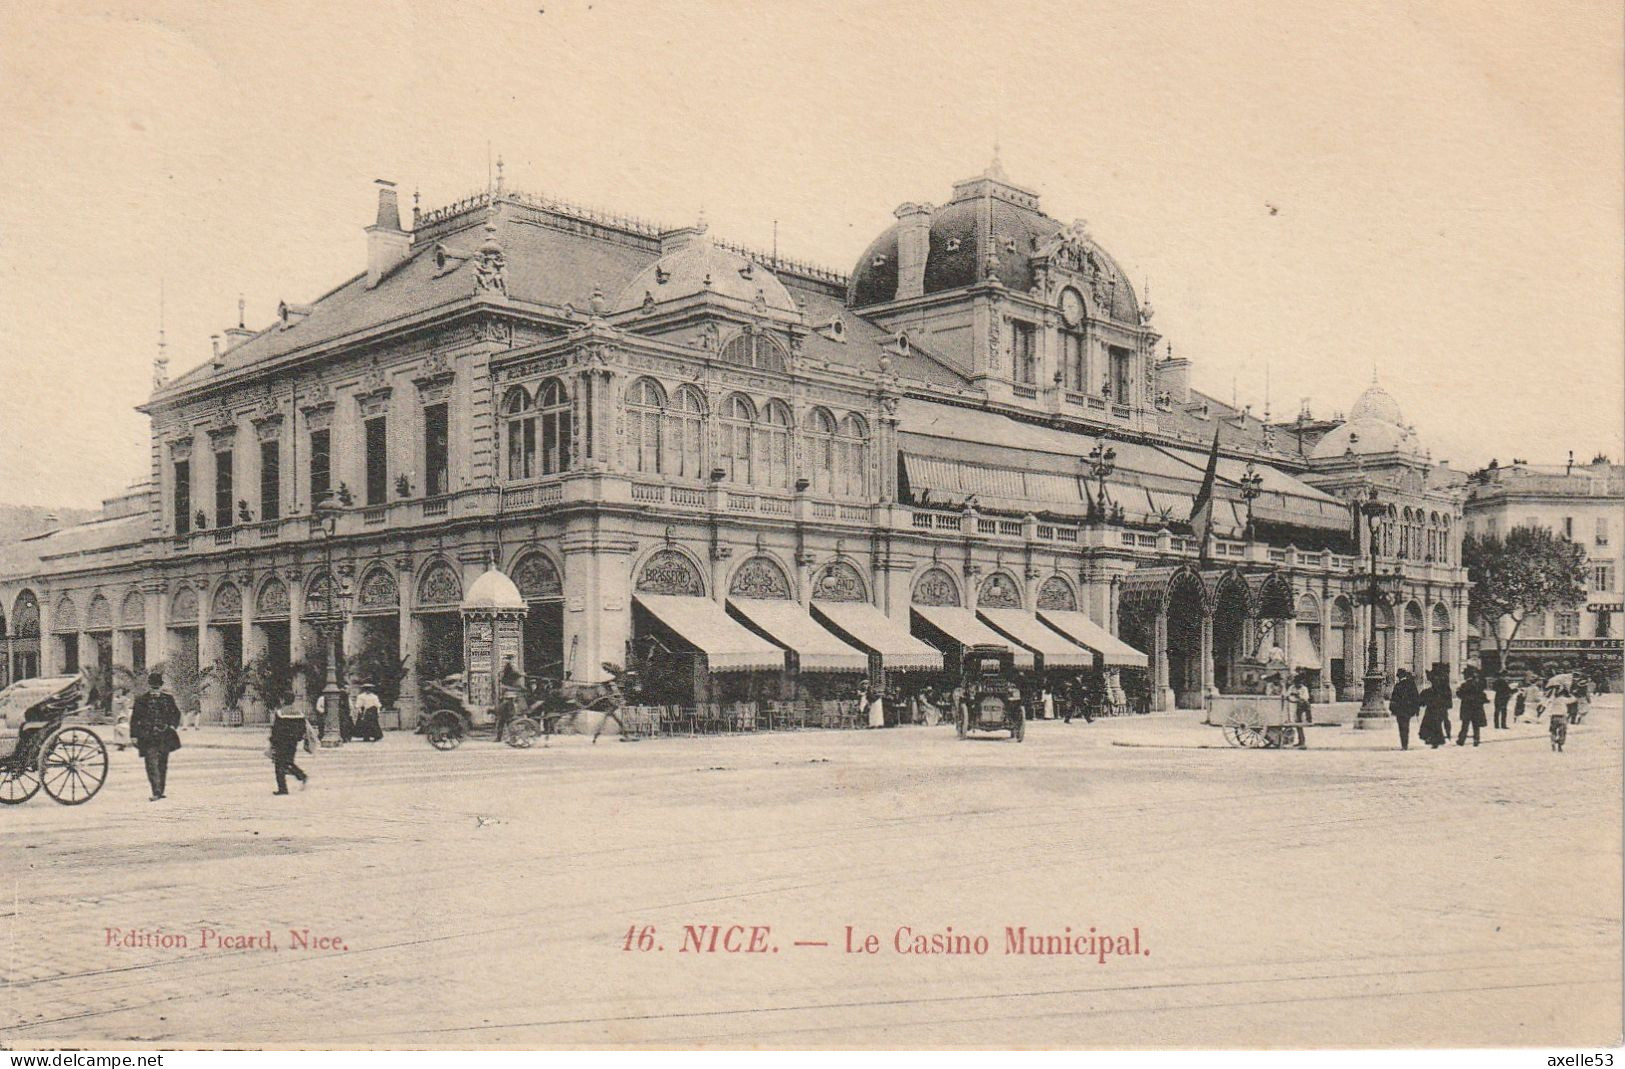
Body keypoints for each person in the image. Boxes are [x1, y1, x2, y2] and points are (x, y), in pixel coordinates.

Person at [128, 671, 182, 800]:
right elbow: (135, 719)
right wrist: (134, 735)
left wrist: (172, 725)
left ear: (160, 686)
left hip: (164, 735)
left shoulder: (168, 699)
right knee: (151, 764)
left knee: (162, 763)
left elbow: (176, 713)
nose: (155, 689)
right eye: (153, 686)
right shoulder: (141, 700)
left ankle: (160, 790)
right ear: (150, 686)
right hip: (148, 736)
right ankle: (156, 791)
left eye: (157, 686)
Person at [268, 701, 310, 794]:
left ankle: (283, 789)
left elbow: (276, 729)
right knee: (288, 762)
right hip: (293, 742)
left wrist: (272, 741)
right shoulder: (299, 713)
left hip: (282, 741)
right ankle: (301, 776)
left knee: (279, 764)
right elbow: (303, 727)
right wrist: (298, 737)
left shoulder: (280, 713)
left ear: (283, 700)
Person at [1418, 670, 1452, 749]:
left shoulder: (1438, 689)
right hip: (1435, 709)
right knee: (1432, 724)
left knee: (1434, 724)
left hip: (1436, 709)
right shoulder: (1436, 689)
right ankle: (1435, 740)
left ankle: (1436, 740)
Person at [1389, 668, 1421, 750]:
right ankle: (1405, 744)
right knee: (1406, 726)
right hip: (1408, 710)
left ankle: (1404, 745)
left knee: (1401, 727)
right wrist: (1416, 710)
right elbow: (1416, 697)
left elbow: (1394, 699)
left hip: (1400, 711)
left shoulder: (1397, 686)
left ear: (1399, 677)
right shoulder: (1411, 684)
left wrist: (1392, 710)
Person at [1455, 668, 1487, 747]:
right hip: (1476, 708)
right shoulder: (1477, 684)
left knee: (1465, 725)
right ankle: (1476, 740)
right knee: (1476, 725)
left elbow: (1459, 694)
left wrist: (1458, 692)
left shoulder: (1464, 685)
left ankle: (1461, 740)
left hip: (1467, 708)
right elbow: (1482, 695)